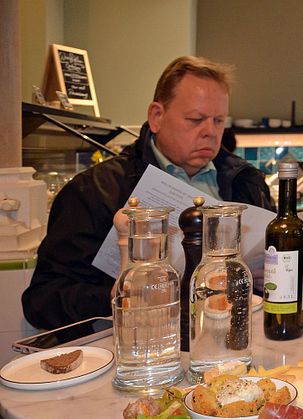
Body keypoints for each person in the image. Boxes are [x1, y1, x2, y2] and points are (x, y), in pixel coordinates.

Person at [23, 56, 275, 331]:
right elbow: (42, 301)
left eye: (218, 121)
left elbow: (300, 269)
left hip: (235, 344)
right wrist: (120, 296)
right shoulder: (95, 189)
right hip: (142, 347)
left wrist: (276, 274)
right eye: (195, 119)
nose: (210, 133)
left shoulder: (246, 181)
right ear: (156, 117)